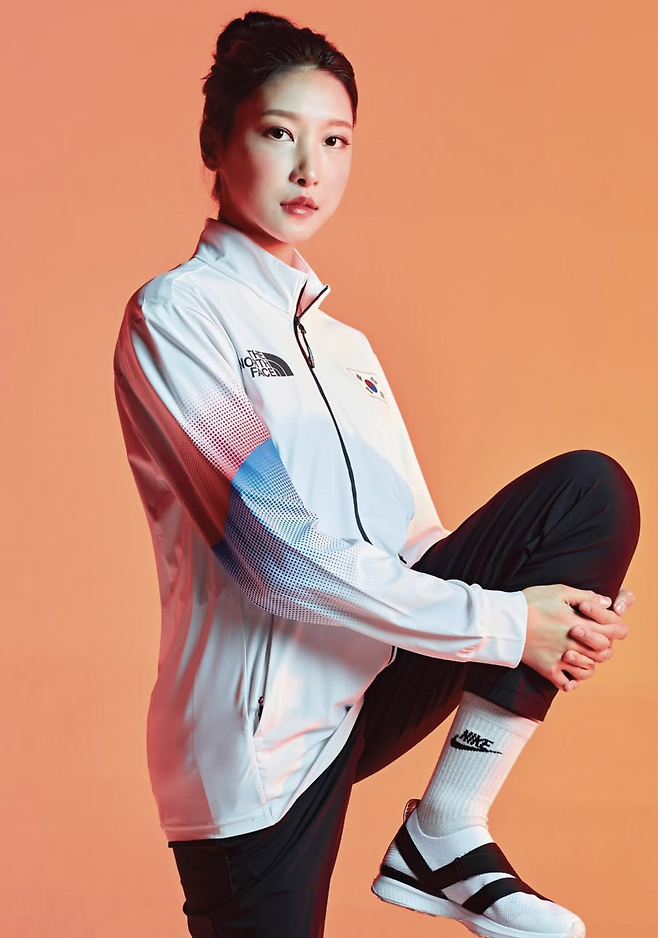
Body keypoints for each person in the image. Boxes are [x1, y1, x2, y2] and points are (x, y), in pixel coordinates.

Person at [112, 10, 641, 938]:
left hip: (371, 679)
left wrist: (558, 606)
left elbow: (415, 545)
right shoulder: (179, 316)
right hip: (258, 744)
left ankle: (447, 827)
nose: (309, 170)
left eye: (335, 141)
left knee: (588, 495)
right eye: (278, 134)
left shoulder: (347, 348)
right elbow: (274, 553)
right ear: (217, 144)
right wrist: (509, 623)